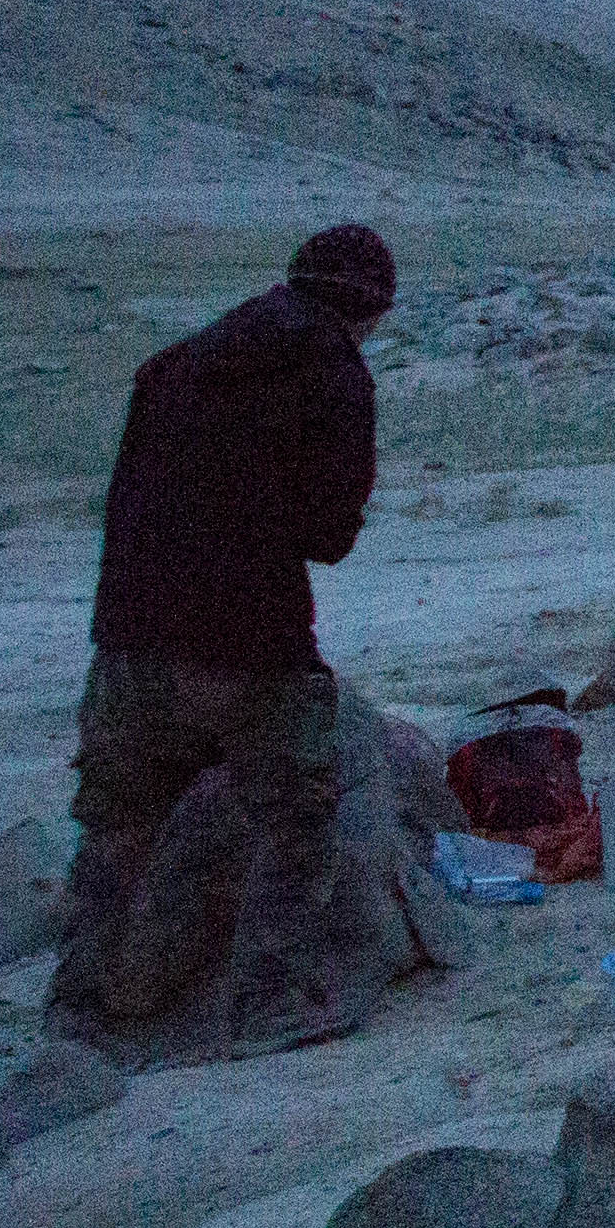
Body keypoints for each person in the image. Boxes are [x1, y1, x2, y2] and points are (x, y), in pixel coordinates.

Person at [54, 221, 393, 1044]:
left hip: (129, 632)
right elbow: (329, 535)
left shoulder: (177, 362)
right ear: (372, 311)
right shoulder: (334, 375)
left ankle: (84, 1002)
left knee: (118, 825)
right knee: (295, 817)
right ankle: (270, 1002)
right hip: (248, 636)